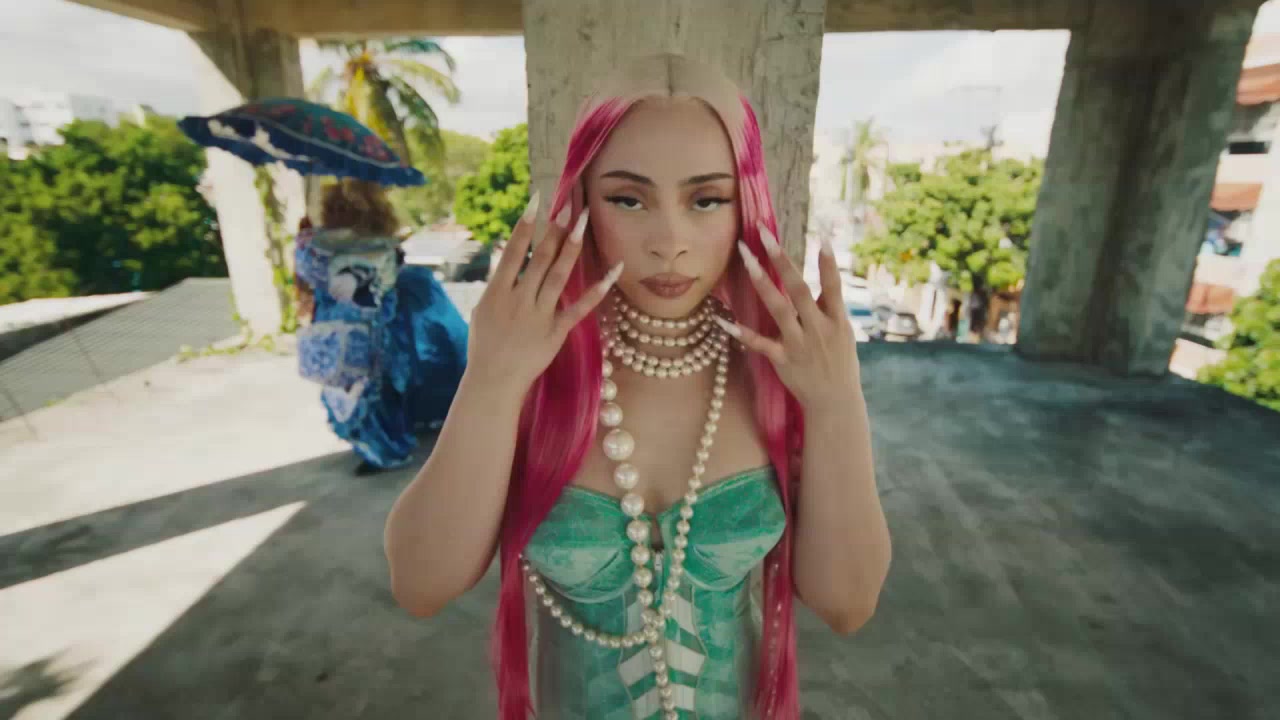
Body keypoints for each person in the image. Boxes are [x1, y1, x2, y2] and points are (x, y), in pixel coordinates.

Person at [384, 55, 890, 719]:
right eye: (628, 198)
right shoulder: (534, 371)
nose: (669, 242)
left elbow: (848, 604)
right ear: (583, 204)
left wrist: (838, 402)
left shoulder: (779, 376)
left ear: (746, 205)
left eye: (706, 200)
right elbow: (421, 585)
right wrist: (491, 382)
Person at [295, 179, 468, 473]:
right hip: (375, 328)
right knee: (380, 386)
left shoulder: (317, 247)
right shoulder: (383, 246)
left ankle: (382, 447)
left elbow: (309, 280)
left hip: (338, 330)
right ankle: (392, 442)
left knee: (352, 389)